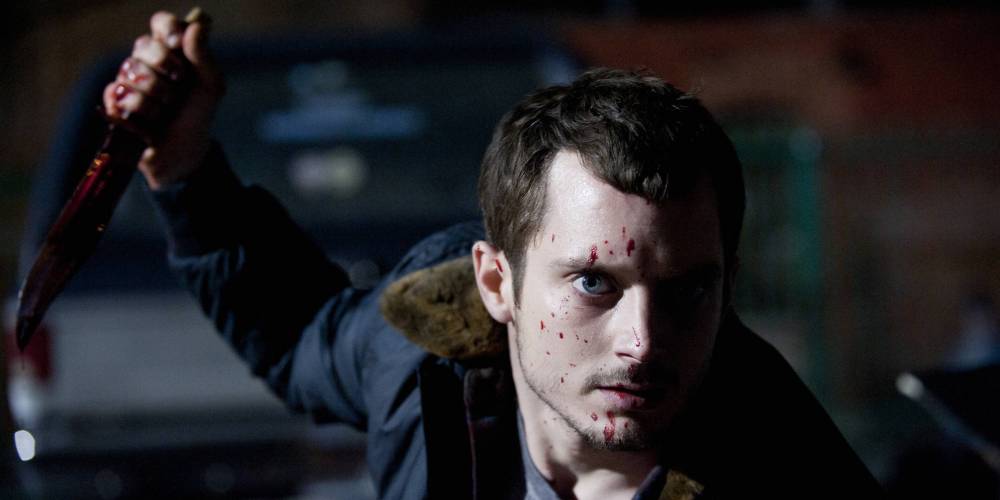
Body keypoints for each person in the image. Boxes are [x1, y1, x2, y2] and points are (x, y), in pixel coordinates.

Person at [103, 11, 884, 500]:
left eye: (686, 291)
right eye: (594, 283)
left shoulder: (784, 467)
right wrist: (182, 164)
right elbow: (300, 331)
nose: (642, 342)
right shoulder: (420, 353)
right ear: (494, 282)